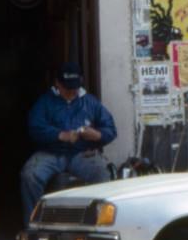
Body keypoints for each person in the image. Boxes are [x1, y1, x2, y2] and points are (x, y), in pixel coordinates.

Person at [20, 61, 117, 226]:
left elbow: (111, 130)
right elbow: (34, 128)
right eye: (67, 88)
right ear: (57, 84)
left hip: (81, 154)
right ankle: (35, 226)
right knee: (30, 175)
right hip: (50, 153)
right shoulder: (45, 102)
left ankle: (97, 226)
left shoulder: (90, 102)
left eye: (74, 88)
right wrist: (60, 135)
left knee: (103, 175)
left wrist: (97, 135)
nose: (71, 92)